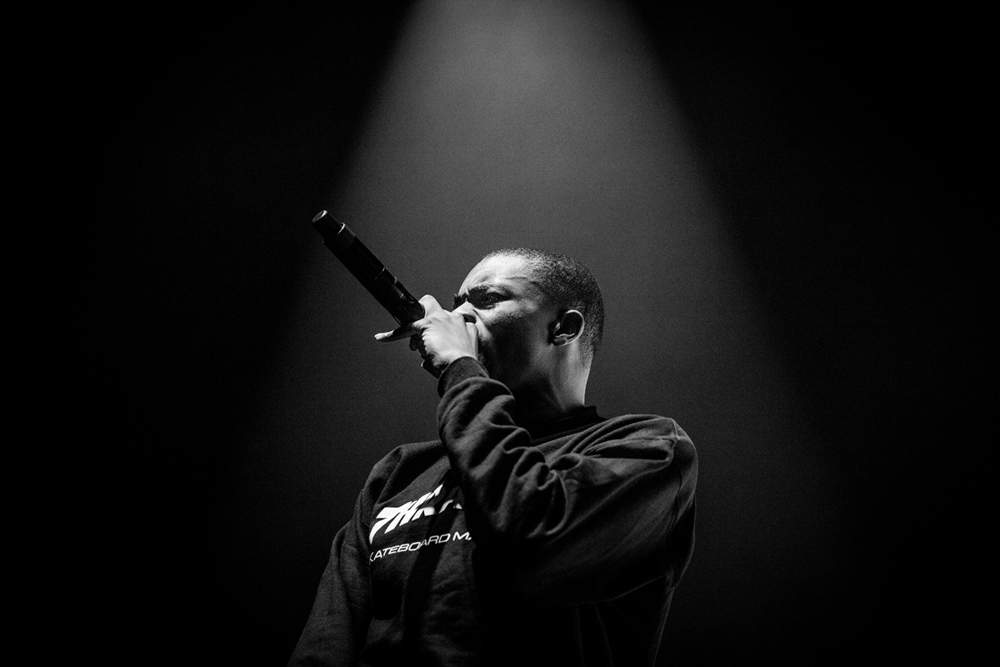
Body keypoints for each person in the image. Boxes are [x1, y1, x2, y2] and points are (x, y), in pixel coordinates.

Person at [289, 248, 697, 666]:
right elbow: (326, 644)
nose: (455, 319)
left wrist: (462, 366)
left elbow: (532, 539)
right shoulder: (400, 473)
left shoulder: (650, 450)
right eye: (455, 305)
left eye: (485, 300)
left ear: (564, 327)